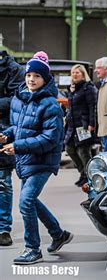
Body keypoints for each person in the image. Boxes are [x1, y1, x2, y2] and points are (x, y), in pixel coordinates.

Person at [0, 55, 72, 265]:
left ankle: (33, 249)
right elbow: (21, 127)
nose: (31, 79)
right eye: (29, 75)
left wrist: (17, 146)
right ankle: (59, 234)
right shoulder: (21, 98)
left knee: (26, 201)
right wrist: (8, 134)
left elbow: (50, 138)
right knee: (31, 201)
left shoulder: (50, 105)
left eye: (37, 76)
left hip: (42, 161)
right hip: (26, 160)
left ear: (45, 79)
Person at [0, 51, 25, 246]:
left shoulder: (14, 70)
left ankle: (3, 228)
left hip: (3, 132)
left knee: (3, 182)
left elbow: (16, 100)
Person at [64, 64, 98, 186]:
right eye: (73, 72)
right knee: (69, 148)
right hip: (72, 125)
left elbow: (92, 107)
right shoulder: (73, 89)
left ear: (83, 74)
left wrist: (91, 123)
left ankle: (89, 176)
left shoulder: (88, 88)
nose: (75, 74)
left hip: (83, 125)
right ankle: (83, 172)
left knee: (83, 151)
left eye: (78, 72)